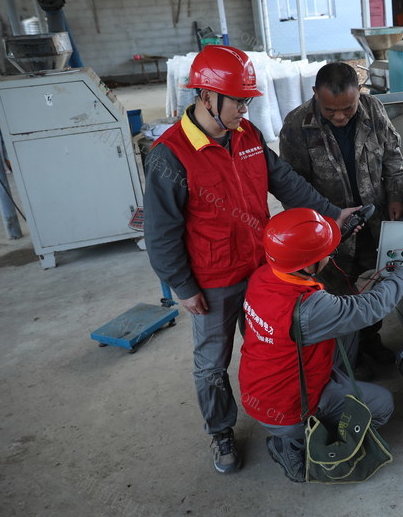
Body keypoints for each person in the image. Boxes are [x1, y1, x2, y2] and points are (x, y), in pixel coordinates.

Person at [143, 45, 359, 474]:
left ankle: (288, 422)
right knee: (212, 363)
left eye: (247, 100)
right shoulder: (171, 155)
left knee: (276, 350)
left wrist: (331, 214)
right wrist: (183, 287)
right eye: (238, 101)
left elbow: (288, 184)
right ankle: (221, 432)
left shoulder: (249, 138)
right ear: (207, 98)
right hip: (212, 281)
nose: (245, 108)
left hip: (265, 270)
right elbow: (160, 232)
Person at [238, 208, 403, 482]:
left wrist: (334, 234)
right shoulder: (310, 308)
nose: (330, 257)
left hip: (261, 387)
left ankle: (329, 396)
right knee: (382, 404)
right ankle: (298, 444)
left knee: (347, 331)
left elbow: (305, 258)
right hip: (288, 407)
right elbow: (372, 306)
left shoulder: (265, 275)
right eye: (324, 253)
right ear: (308, 265)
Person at [278, 62, 403, 371]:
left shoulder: (374, 109)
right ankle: (342, 361)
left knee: (368, 286)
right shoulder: (297, 125)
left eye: (347, 110)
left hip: (372, 222)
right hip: (328, 233)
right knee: (335, 296)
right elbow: (292, 187)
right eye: (329, 111)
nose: (339, 117)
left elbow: (392, 154)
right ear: (314, 95)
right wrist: (320, 226)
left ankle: (370, 343)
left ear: (359, 94)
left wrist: (396, 194)